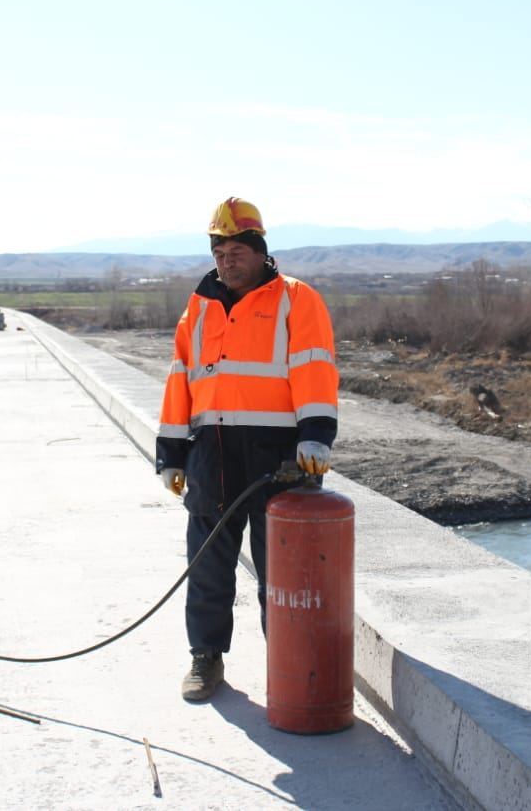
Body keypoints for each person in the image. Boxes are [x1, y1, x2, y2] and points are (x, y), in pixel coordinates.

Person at [156, 197, 338, 702]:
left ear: (259, 250)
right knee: (208, 564)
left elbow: (314, 369)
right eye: (219, 250)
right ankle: (206, 658)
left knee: (281, 574)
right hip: (211, 453)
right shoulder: (198, 309)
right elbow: (180, 380)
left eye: (237, 249)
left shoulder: (295, 300)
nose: (227, 259)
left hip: (279, 456)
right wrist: (171, 452)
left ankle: (290, 668)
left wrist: (316, 434)